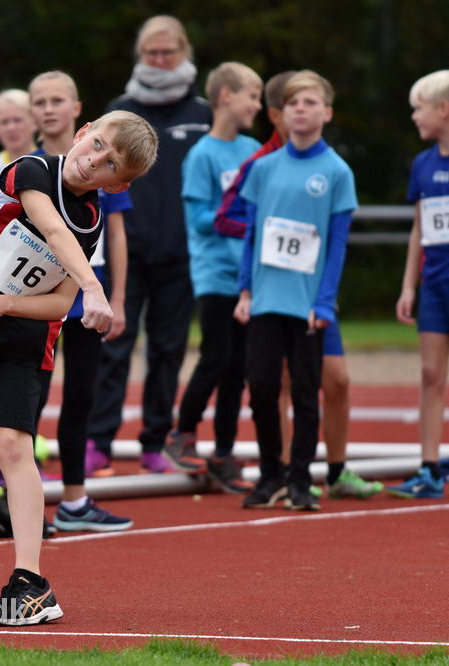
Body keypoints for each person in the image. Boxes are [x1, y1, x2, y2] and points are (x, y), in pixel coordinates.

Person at [0, 111, 158, 625]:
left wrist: (7, 305)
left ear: (117, 184)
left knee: (14, 446)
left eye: (109, 164)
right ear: (81, 134)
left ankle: (29, 582)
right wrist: (96, 289)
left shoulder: (92, 221)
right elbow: (51, 230)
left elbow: (59, 304)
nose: (93, 161)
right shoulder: (31, 170)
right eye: (95, 144)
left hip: (25, 340)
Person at [216, 71, 382, 500]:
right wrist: (246, 291)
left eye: (309, 103)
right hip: (265, 299)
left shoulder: (337, 172)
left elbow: (338, 244)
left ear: (326, 112)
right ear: (281, 114)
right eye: (292, 104)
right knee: (264, 389)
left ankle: (301, 480)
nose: (301, 110)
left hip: (307, 305)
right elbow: (252, 233)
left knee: (308, 393)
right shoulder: (264, 168)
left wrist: (325, 302)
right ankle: (271, 473)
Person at [87, 16, 211, 473]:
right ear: (140, 56)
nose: (159, 61)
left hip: (181, 256)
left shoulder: (203, 114)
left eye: (168, 53)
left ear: (184, 55)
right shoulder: (120, 111)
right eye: (151, 54)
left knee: (168, 351)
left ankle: (154, 443)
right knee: (113, 345)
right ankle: (98, 441)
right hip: (128, 254)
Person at [24, 70, 133, 532]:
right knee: (31, 397)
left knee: (81, 396)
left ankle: (73, 499)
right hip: (40, 295)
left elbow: (118, 237)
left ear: (77, 110)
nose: (48, 109)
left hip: (89, 298)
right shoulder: (26, 165)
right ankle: (25, 500)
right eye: (40, 101)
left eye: (57, 100)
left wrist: (118, 298)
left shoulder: (102, 161)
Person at [163, 62, 262, 493]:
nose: (257, 105)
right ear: (225, 96)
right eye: (252, 96)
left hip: (249, 275)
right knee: (217, 355)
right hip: (215, 273)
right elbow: (200, 218)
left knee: (238, 368)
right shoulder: (203, 154)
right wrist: (240, 223)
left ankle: (223, 452)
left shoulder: (255, 150)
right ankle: (181, 433)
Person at [391, 69, 449, 499]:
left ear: (443, 110)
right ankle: (430, 467)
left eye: (419, 108)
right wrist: (408, 285)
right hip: (433, 284)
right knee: (430, 373)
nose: (414, 116)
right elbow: (419, 228)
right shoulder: (422, 164)